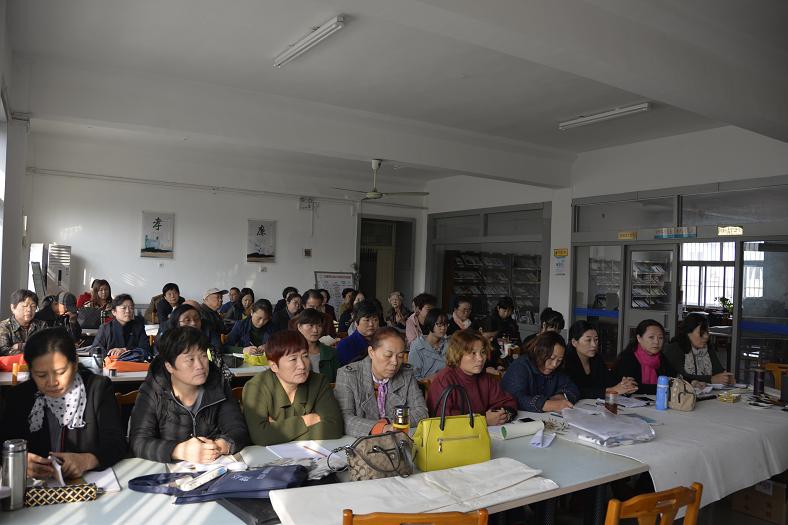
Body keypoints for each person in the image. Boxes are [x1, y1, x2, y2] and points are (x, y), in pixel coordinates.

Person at [0, 328, 126, 479]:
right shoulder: (20, 396)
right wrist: (17, 460)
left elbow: (116, 443)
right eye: (41, 375)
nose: (52, 382)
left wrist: (87, 460)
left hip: (89, 482)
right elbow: (4, 443)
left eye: (60, 372)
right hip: (35, 485)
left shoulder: (97, 389)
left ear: (75, 363)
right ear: (31, 371)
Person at [129, 326, 249, 463]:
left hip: (215, 466)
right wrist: (179, 451)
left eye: (203, 356)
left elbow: (237, 429)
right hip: (170, 469)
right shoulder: (153, 390)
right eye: (190, 359)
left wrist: (220, 445)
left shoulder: (218, 384)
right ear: (169, 366)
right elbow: (138, 442)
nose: (200, 366)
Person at [243, 330, 343, 446]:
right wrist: (307, 420)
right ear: (274, 366)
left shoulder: (319, 382)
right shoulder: (256, 387)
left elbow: (335, 428)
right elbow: (261, 436)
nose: (302, 365)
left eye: (305, 356)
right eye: (293, 359)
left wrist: (276, 432)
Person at [334, 327, 428, 436]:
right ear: (371, 352)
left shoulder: (406, 374)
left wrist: (389, 422)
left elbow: (422, 413)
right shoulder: (348, 375)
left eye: (400, 356)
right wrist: (381, 428)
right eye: (388, 355)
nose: (395, 362)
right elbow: (344, 418)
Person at [426, 330, 517, 425]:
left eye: (483, 352)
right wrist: (483, 420)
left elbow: (507, 402)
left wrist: (504, 415)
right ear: (457, 355)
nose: (480, 358)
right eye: (473, 353)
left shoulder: (485, 378)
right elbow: (444, 419)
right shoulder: (444, 380)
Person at [501, 331, 580, 413]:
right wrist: (549, 405)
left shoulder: (557, 369)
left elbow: (572, 387)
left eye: (559, 360)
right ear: (537, 350)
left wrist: (561, 396)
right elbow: (515, 397)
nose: (554, 364)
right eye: (551, 358)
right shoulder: (520, 366)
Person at [564, 320, 637, 400]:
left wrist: (624, 386)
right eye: (588, 340)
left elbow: (609, 381)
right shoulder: (566, 361)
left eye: (596, 340)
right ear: (574, 342)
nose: (594, 344)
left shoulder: (597, 359)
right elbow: (576, 391)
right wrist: (611, 390)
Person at [662, 313, 732, 385]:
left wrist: (726, 378)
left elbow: (719, 371)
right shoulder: (675, 348)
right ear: (688, 332)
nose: (706, 336)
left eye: (707, 332)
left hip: (707, 391)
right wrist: (710, 379)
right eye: (701, 333)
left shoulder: (707, 348)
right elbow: (681, 377)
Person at [615, 319, 676, 395]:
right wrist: (661, 387)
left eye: (660, 338)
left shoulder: (661, 358)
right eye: (651, 337)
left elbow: (673, 381)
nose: (656, 342)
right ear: (639, 338)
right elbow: (629, 387)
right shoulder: (627, 358)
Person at [92, 294, 151, 361]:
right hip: (111, 364)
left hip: (133, 365)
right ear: (114, 312)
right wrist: (112, 355)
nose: (128, 311)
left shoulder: (138, 327)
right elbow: (95, 350)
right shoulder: (105, 328)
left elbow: (146, 350)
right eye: (124, 308)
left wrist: (126, 350)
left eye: (131, 308)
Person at [296, 308, 341, 382]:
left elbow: (338, 381)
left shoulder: (332, 353)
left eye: (319, 326)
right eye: (311, 325)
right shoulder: (291, 353)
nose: (315, 330)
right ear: (299, 327)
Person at [0, 289, 47, 356]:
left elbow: (48, 346)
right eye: (25, 306)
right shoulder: (4, 326)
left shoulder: (42, 325)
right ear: (13, 308)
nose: (29, 310)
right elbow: (3, 351)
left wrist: (20, 346)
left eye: (33, 306)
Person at [408, 308, 448, 380]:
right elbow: (413, 377)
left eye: (445, 325)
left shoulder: (448, 344)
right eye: (439, 324)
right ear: (430, 323)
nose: (443, 328)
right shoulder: (417, 346)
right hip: (426, 385)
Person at [336, 300, 381, 365]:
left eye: (375, 320)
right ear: (356, 322)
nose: (371, 324)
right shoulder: (345, 345)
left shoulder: (383, 341)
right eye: (367, 320)